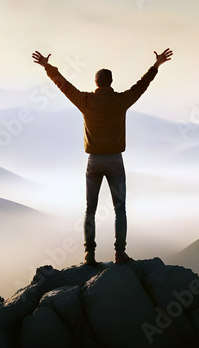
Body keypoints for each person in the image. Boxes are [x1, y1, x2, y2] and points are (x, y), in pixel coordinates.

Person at [32, 48, 173, 265]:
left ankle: (89, 253)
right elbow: (141, 86)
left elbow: (64, 85)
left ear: (96, 82)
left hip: (94, 161)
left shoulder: (86, 101)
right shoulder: (121, 101)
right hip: (115, 160)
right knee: (120, 209)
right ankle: (120, 253)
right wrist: (156, 66)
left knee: (90, 209)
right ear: (111, 82)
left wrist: (47, 67)